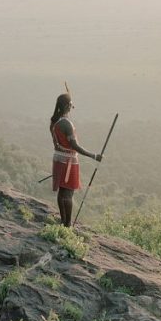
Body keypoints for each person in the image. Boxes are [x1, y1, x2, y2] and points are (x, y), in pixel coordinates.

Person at [49, 93, 102, 227]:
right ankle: (67, 225)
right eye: (71, 105)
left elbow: (58, 143)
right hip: (68, 162)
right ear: (67, 106)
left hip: (58, 159)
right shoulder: (66, 124)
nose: (72, 107)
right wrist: (94, 156)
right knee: (68, 194)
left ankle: (63, 222)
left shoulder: (54, 121)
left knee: (62, 193)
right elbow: (74, 146)